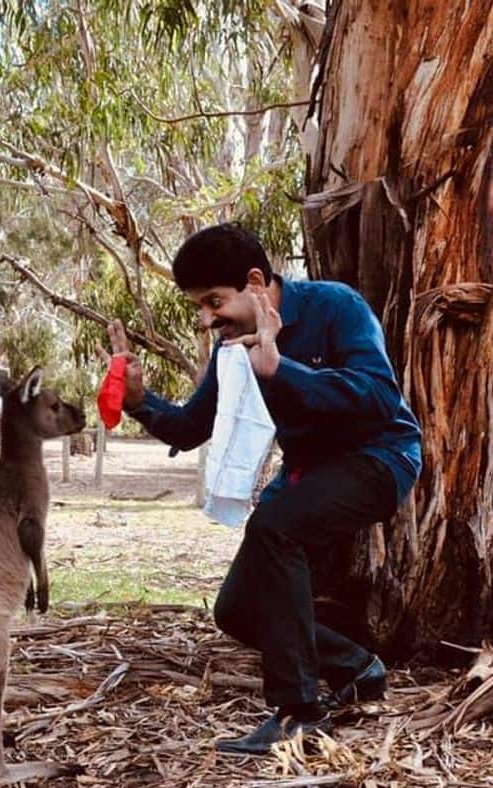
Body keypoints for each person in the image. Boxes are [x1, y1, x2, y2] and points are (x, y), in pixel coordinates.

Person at [106, 223, 422, 755]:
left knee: (276, 528)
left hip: (379, 459)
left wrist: (281, 368)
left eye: (214, 303)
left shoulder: (335, 307)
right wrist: (140, 400)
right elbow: (189, 426)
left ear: (256, 281)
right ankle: (357, 667)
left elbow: (379, 398)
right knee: (237, 610)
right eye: (199, 310)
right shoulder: (232, 347)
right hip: (305, 473)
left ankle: (299, 712)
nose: (208, 321)